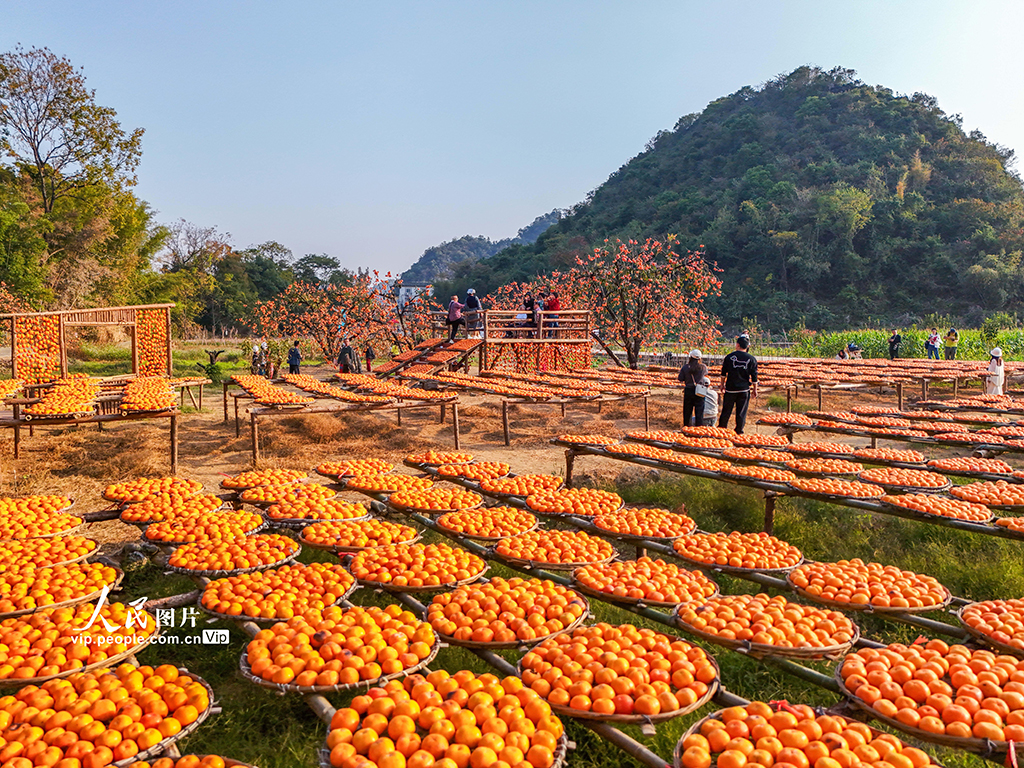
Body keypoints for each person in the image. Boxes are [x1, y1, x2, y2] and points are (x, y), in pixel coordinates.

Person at [718, 335, 758, 434]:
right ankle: (739, 430)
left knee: (726, 410)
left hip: (731, 389)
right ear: (747, 346)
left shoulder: (729, 357)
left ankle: (722, 428)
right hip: (744, 389)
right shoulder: (752, 359)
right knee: (741, 412)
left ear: (738, 344)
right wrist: (755, 389)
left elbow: (723, 373)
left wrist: (722, 385)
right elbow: (754, 377)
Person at [678, 349, 708, 427]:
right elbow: (705, 376)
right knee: (699, 413)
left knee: (687, 412)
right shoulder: (703, 367)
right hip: (700, 391)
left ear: (690, 357)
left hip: (689, 390)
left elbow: (680, 378)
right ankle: (699, 429)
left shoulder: (685, 367)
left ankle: (687, 428)